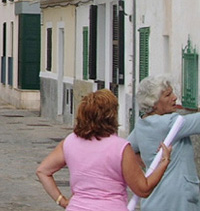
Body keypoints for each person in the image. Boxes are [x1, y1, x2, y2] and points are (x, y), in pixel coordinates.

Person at [37, 89, 170, 210]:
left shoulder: (70, 142)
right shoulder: (120, 147)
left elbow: (43, 171)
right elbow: (143, 189)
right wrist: (163, 164)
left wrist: (62, 200)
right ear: (111, 116)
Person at [128, 75, 200, 210]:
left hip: (153, 198)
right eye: (168, 95)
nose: (174, 97)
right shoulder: (171, 123)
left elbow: (127, 148)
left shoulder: (141, 125)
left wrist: (145, 164)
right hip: (177, 200)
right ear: (153, 103)